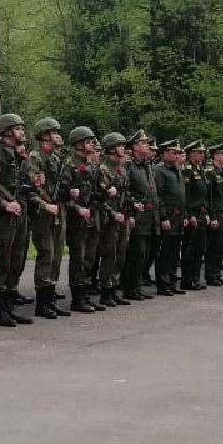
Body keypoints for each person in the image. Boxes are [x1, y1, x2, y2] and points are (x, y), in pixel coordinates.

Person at [0, 114, 33, 326]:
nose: (22, 132)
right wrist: (4, 204)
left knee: (17, 259)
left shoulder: (19, 154)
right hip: (2, 217)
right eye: (18, 128)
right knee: (1, 260)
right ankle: (0, 310)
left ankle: (10, 305)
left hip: (20, 213)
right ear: (7, 131)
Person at [25, 118, 68, 320]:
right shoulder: (36, 158)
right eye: (53, 131)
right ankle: (42, 302)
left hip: (57, 212)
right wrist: (45, 206)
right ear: (44, 135)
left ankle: (50, 298)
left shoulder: (56, 158)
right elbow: (31, 191)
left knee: (57, 256)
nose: (58, 135)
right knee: (46, 255)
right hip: (43, 215)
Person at [61, 126, 103, 313]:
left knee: (89, 258)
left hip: (92, 216)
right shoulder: (69, 164)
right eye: (88, 141)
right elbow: (62, 194)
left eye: (92, 141)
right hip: (76, 219)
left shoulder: (92, 165)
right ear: (78, 144)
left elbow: (96, 190)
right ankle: (77, 298)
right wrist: (77, 207)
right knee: (78, 258)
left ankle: (85, 294)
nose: (92, 144)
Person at [122, 130, 158, 302]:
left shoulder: (147, 165)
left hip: (150, 217)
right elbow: (124, 189)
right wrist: (131, 207)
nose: (147, 146)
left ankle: (136, 286)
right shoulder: (129, 165)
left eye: (147, 143)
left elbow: (152, 191)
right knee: (137, 253)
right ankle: (130, 288)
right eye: (143, 143)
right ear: (135, 146)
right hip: (137, 215)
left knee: (145, 254)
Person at [96, 132, 132, 307]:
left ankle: (114, 287)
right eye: (119, 145)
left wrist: (130, 212)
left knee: (121, 254)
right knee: (110, 254)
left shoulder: (122, 168)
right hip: (109, 219)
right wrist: (112, 214)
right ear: (111, 148)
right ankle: (106, 290)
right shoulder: (103, 169)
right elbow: (100, 198)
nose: (123, 148)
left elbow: (126, 194)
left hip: (122, 216)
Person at [154, 139, 187, 296]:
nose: (176, 155)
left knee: (175, 251)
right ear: (165, 153)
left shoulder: (177, 169)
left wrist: (184, 214)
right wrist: (163, 217)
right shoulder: (160, 170)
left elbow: (181, 195)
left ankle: (172, 282)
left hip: (179, 216)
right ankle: (163, 283)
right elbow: (159, 195)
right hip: (169, 215)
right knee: (165, 252)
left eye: (178, 153)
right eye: (173, 153)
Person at [180, 141, 208, 291]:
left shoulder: (200, 169)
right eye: (199, 152)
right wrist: (189, 214)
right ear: (191, 153)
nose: (202, 155)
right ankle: (187, 279)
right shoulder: (188, 170)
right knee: (190, 249)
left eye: (203, 153)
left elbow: (204, 194)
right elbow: (187, 195)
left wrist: (207, 212)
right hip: (193, 213)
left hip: (202, 212)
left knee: (199, 248)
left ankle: (195, 278)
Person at [204, 143, 223, 286]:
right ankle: (210, 274)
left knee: (221, 246)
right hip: (216, 213)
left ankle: (217, 273)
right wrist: (212, 216)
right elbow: (209, 197)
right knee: (213, 246)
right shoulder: (210, 172)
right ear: (215, 155)